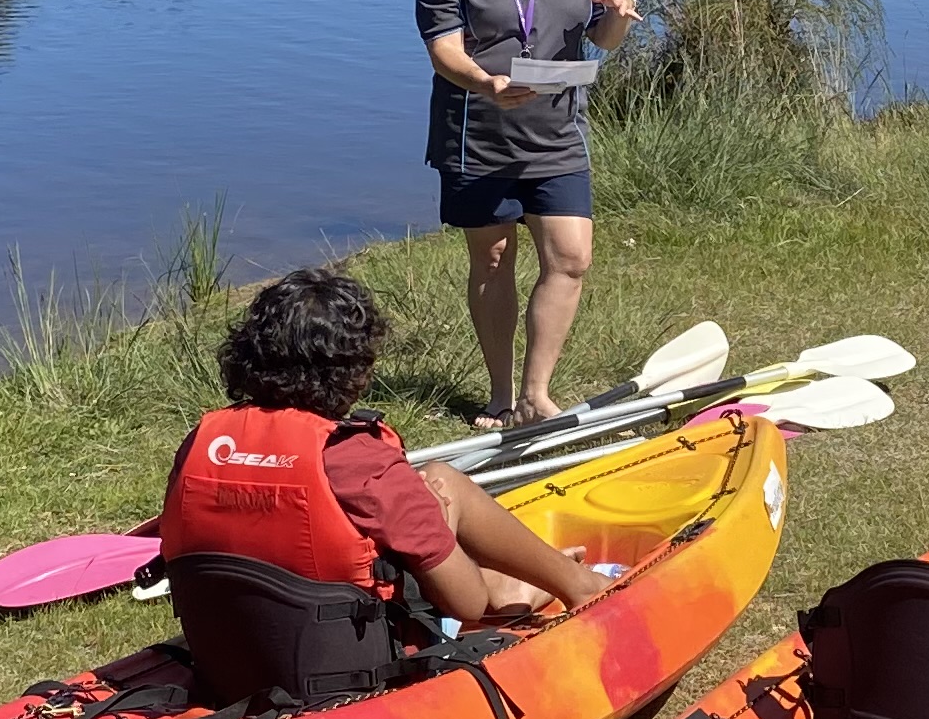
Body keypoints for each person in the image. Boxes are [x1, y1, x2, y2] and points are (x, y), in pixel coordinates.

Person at [158, 265, 615, 628]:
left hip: (233, 643)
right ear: (355, 373)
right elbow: (467, 603)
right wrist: (434, 513)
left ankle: (530, 580)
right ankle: (577, 584)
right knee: (442, 481)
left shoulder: (204, 441)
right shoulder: (359, 459)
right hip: (344, 646)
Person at [415, 0, 639, 424]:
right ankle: (500, 394)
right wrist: (486, 83)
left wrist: (618, 17)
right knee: (492, 260)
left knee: (571, 258)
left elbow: (601, 38)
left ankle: (536, 395)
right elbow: (443, 51)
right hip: (479, 134)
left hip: (558, 133)